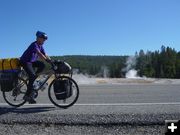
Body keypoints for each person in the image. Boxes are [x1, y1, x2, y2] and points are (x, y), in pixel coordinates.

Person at [20, 31, 51, 104]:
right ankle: (27, 95)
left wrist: (50, 60)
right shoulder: (34, 45)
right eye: (43, 39)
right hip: (25, 62)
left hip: (31, 62)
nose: (44, 41)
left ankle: (33, 79)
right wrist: (46, 59)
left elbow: (44, 54)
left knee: (42, 65)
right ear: (38, 38)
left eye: (44, 40)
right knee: (32, 76)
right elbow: (39, 53)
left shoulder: (40, 46)